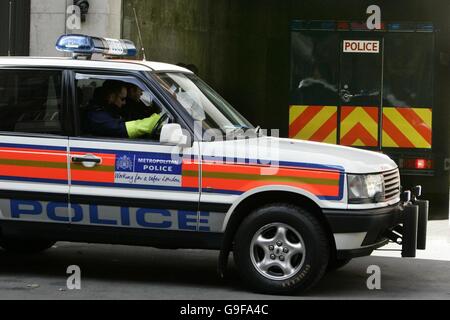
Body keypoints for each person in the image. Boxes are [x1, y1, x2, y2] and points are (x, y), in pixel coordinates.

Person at [86, 80, 161, 139]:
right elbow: (120, 129)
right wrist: (151, 122)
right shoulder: (97, 115)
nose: (125, 103)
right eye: (122, 99)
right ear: (111, 97)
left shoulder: (111, 109)